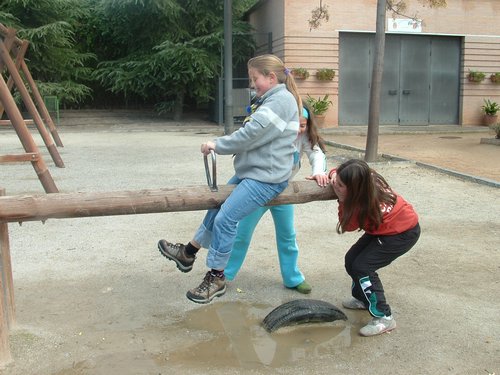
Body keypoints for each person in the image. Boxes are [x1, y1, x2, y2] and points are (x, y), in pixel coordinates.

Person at [157, 54, 302, 304]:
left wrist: (217, 144)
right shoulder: (269, 99)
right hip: (253, 172)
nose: (252, 84)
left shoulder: (280, 100)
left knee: (226, 219)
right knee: (216, 207)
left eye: (254, 78)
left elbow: (252, 133)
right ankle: (188, 252)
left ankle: (217, 277)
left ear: (271, 77)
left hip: (266, 178)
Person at [224, 103, 329, 294]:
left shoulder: (303, 137)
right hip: (258, 191)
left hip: (283, 192)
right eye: (295, 124)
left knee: (287, 235)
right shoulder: (274, 134)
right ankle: (224, 274)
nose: (298, 129)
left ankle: (292, 277)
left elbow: (316, 153)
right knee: (242, 234)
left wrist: (318, 172)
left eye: (303, 125)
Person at [329, 159, 420, 336]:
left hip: (402, 234)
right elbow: (342, 171)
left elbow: (348, 226)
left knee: (363, 267)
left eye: (340, 184)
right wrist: (334, 174)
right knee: (351, 260)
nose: (335, 185)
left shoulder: (364, 205)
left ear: (354, 189)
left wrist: (341, 200)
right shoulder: (366, 177)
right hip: (383, 228)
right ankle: (364, 300)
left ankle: (384, 317)